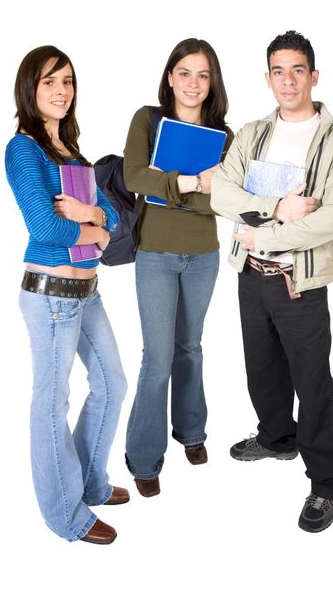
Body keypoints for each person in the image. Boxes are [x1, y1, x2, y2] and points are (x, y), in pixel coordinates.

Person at [211, 30, 333, 533]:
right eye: (279, 70)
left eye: (298, 69)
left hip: (300, 282)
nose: (288, 79)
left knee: (312, 382)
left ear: (313, 76)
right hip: (251, 275)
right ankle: (277, 437)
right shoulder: (251, 133)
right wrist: (277, 208)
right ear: (267, 78)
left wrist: (268, 231)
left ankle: (330, 481)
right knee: (262, 369)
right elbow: (222, 195)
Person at [5, 45, 128, 544]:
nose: (61, 91)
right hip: (51, 296)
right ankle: (65, 515)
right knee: (51, 402)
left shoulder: (72, 152)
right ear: (31, 89)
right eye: (50, 82)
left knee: (112, 383)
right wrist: (91, 225)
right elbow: (43, 225)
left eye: (68, 82)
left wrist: (91, 217)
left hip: (87, 292)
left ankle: (91, 484)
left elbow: (113, 217)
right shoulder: (24, 149)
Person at [123, 38, 233, 497]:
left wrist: (168, 186)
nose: (193, 83)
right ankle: (144, 458)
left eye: (203, 75)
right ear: (170, 77)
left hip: (203, 255)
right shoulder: (148, 120)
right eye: (185, 73)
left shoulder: (225, 138)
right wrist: (190, 183)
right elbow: (134, 177)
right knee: (157, 358)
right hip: (156, 254)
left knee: (190, 346)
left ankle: (191, 431)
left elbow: (224, 201)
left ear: (212, 84)